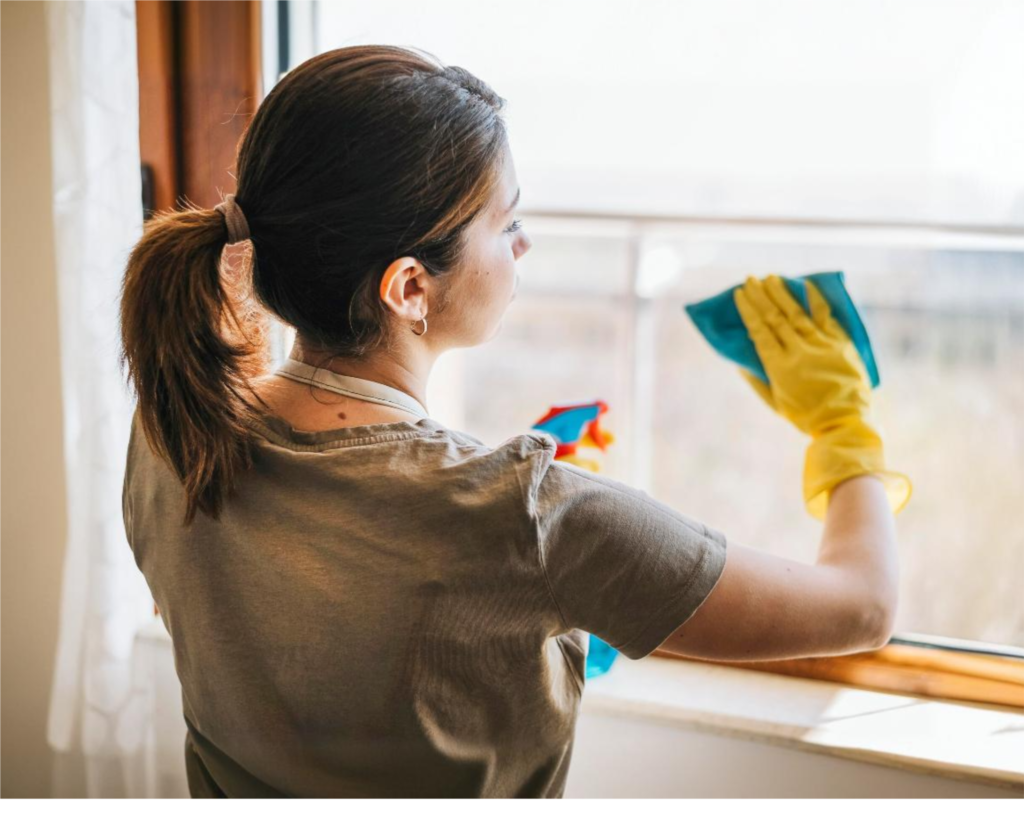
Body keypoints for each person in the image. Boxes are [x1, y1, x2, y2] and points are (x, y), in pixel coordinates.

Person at [118, 44, 903, 800]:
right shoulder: (525, 516)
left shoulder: (170, 430)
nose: (524, 243)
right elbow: (862, 606)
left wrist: (510, 581)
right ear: (409, 288)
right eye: (506, 223)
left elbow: (310, 616)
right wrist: (842, 423)